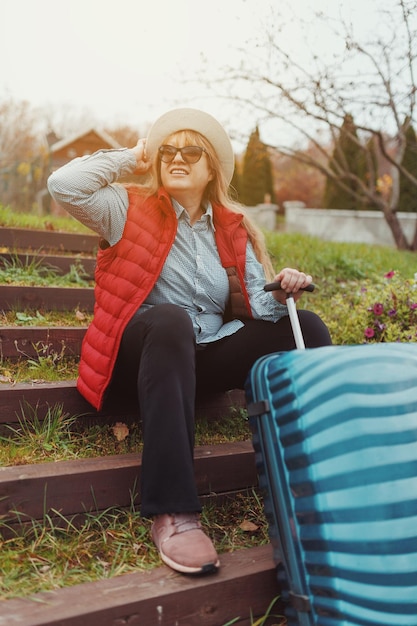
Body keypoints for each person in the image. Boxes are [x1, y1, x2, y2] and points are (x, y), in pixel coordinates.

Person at [48, 107, 332, 576]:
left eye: (191, 150)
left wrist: (283, 289)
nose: (177, 157)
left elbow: (260, 310)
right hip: (138, 355)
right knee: (171, 319)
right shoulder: (126, 207)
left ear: (211, 167)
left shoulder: (230, 228)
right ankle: (174, 510)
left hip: (196, 361)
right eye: (168, 150)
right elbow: (65, 184)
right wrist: (135, 155)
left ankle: (321, 469)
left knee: (310, 328)